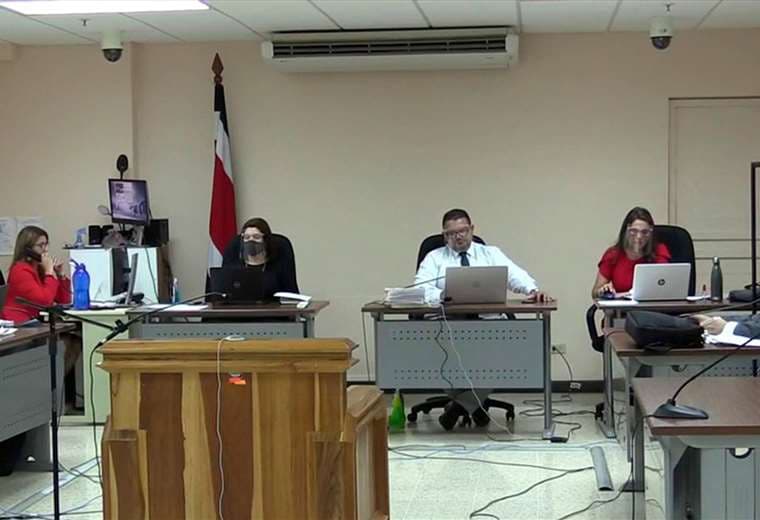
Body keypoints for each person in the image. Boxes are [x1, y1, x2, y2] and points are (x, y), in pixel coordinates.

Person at [415, 208, 551, 303]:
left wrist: (532, 291)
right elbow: (420, 290)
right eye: (452, 233)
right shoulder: (434, 258)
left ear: (472, 229)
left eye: (463, 231)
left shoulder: (490, 253)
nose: (458, 236)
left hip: (489, 319)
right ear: (445, 235)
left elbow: (514, 274)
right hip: (448, 321)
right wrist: (442, 295)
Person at [592, 206, 671, 298]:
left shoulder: (659, 251)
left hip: (651, 304)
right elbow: (595, 292)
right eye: (634, 231)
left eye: (645, 232)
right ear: (626, 231)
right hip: (622, 306)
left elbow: (664, 283)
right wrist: (603, 291)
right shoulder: (613, 254)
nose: (639, 236)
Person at [1, 226, 71, 323]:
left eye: (46, 244)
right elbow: (45, 301)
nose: (45, 249)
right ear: (28, 249)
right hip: (17, 322)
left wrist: (61, 275)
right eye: (41, 245)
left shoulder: (38, 268)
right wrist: (49, 273)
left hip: (32, 321)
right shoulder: (20, 270)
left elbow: (65, 301)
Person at [221, 217, 299, 297]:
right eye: (247, 237)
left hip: (273, 304)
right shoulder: (235, 265)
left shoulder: (277, 264)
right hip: (239, 305)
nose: (251, 240)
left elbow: (290, 294)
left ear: (266, 240)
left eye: (256, 237)